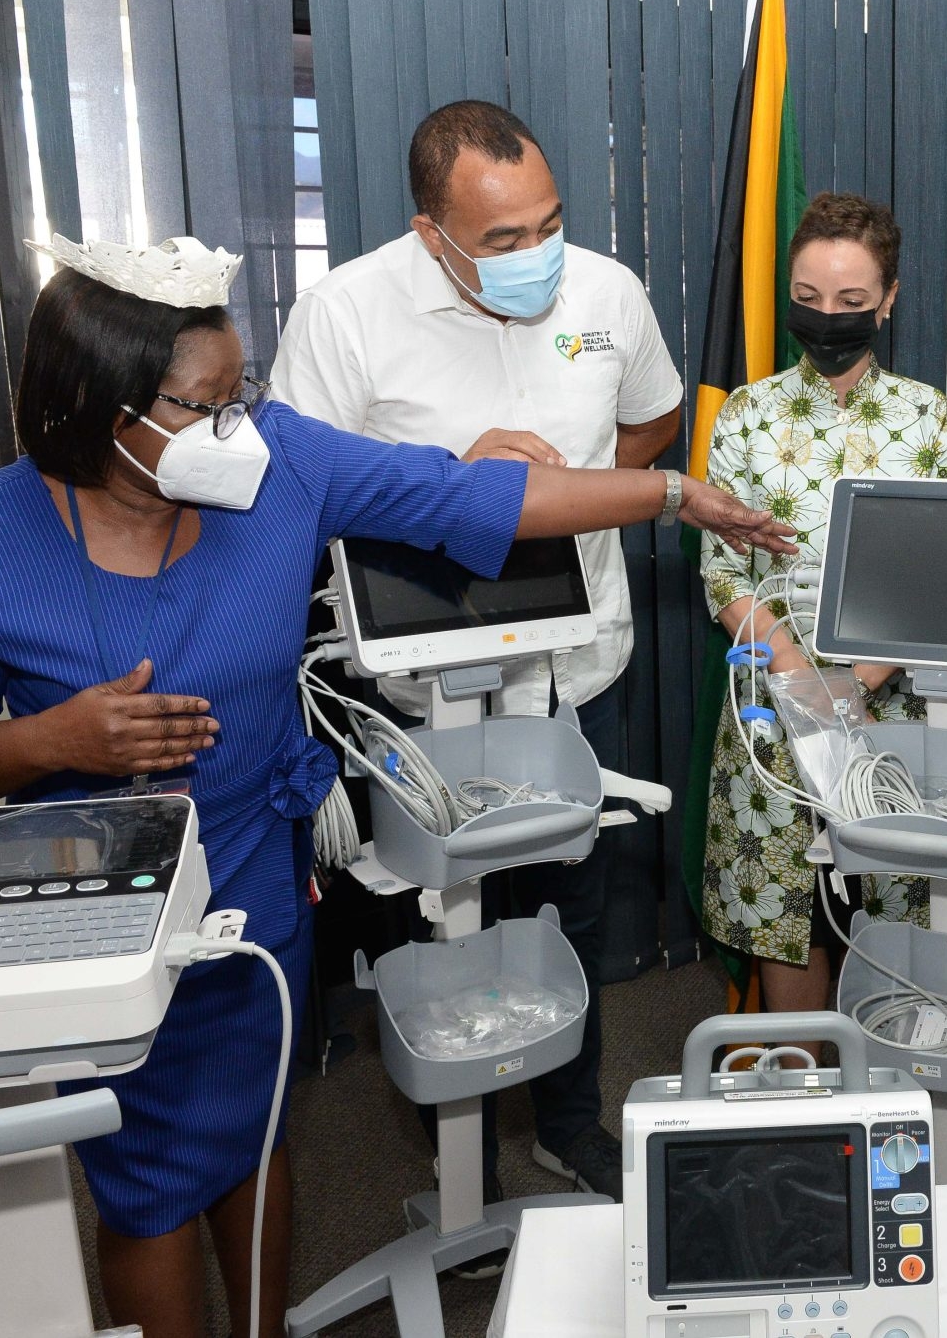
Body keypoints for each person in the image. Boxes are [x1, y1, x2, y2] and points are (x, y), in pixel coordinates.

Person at [0, 234, 792, 1338]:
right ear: (105, 408)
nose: (235, 423)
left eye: (238, 391)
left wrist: (673, 494)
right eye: (203, 403)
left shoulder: (279, 463)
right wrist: (48, 742)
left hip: (256, 871)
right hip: (101, 902)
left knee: (255, 1129)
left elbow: (467, 498)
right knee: (150, 1170)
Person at [272, 99, 685, 1204]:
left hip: (574, 666)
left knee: (570, 905)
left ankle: (567, 1121)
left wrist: (567, 491)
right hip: (420, 681)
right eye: (500, 240)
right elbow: (293, 494)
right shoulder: (343, 314)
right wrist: (462, 478)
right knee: (438, 903)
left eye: (546, 222)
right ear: (430, 232)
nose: (533, 253)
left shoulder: (606, 292)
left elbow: (646, 430)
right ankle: (444, 1133)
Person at [698, 192, 947, 1016]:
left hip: (891, 718)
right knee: (791, 922)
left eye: (852, 302)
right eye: (808, 299)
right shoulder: (746, 416)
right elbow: (723, 574)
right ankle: (807, 1098)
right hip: (772, 720)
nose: (827, 318)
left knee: (890, 924)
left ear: (889, 299)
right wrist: (802, 679)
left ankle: (885, 1102)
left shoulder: (927, 417)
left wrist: (857, 680)